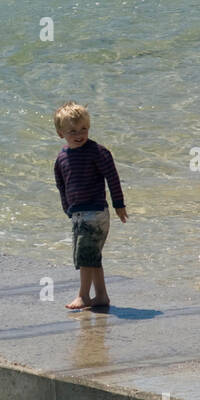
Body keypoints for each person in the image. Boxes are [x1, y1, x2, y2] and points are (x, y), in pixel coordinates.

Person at [52, 102, 128, 309]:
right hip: (78, 213)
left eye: (84, 129)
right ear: (61, 133)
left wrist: (118, 204)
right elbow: (61, 184)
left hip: (95, 212)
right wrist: (67, 207)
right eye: (73, 131)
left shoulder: (97, 152)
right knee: (91, 255)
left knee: (85, 256)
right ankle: (101, 296)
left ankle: (84, 296)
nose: (79, 134)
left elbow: (112, 177)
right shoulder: (62, 158)